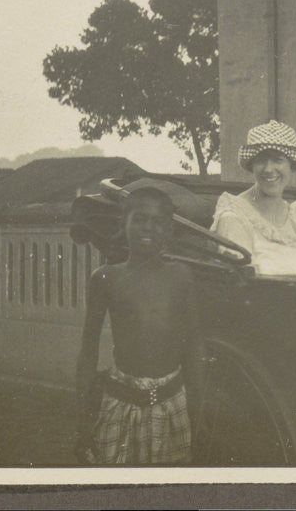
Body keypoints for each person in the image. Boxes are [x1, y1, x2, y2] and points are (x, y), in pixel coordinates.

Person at [74, 186, 201, 464]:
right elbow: (88, 350)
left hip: (172, 403)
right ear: (123, 224)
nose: (148, 227)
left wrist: (197, 416)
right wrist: (83, 418)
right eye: (140, 218)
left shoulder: (181, 276)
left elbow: (194, 347)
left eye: (157, 222)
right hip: (120, 402)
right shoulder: (105, 278)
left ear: (169, 231)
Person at [211, 120, 296, 278]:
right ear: (251, 165)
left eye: (278, 160)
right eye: (261, 160)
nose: (268, 169)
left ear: (291, 165)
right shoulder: (234, 216)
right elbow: (241, 284)